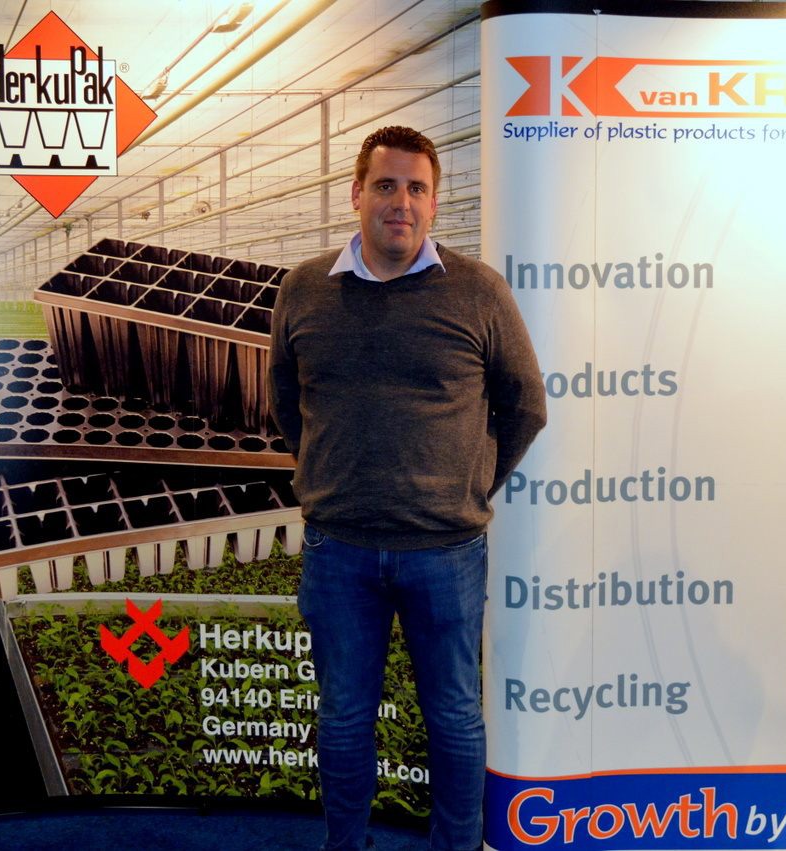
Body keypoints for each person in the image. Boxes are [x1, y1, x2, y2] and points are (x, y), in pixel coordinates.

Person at [269, 125, 547, 850]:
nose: (402, 202)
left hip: (445, 551)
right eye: (386, 185)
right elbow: (284, 402)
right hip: (339, 548)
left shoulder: (478, 291)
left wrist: (468, 483)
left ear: (434, 202)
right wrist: (328, 473)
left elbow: (526, 405)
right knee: (343, 717)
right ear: (356, 194)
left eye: (417, 188)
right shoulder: (303, 289)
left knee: (453, 716)